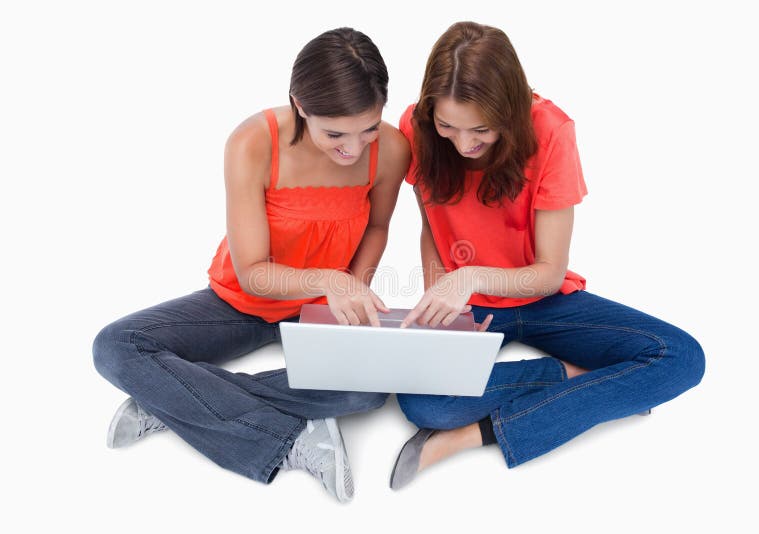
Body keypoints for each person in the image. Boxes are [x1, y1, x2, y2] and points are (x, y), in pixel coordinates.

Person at [93, 27, 410, 503]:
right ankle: (293, 436)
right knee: (116, 346)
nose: (354, 148)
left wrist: (355, 289)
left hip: (322, 310)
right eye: (335, 134)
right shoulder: (252, 143)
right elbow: (254, 273)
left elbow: (378, 228)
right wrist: (331, 277)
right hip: (241, 302)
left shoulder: (392, 149)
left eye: (368, 128)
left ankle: (167, 401)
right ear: (300, 105)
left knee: (370, 392)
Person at [389, 21, 705, 489]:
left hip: (542, 298)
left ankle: (470, 437)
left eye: (480, 129)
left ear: (509, 111)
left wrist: (471, 277)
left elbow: (548, 273)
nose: (462, 143)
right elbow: (430, 227)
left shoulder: (551, 131)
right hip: (470, 307)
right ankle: (581, 379)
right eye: (446, 125)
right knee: (425, 404)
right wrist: (440, 297)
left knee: (682, 357)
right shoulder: (415, 126)